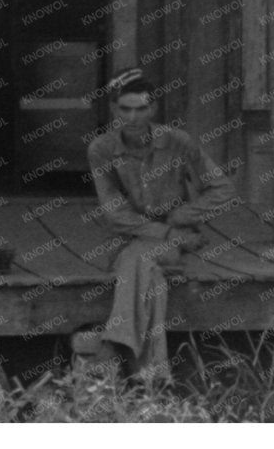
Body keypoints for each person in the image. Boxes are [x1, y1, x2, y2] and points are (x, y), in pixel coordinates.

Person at [85, 69, 235, 383]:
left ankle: (119, 344)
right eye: (125, 109)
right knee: (145, 268)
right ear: (114, 110)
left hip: (177, 233)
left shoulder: (178, 142)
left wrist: (184, 215)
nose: (133, 116)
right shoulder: (101, 149)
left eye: (141, 108)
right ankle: (151, 370)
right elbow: (114, 212)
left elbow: (223, 189)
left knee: (134, 260)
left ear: (152, 109)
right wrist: (168, 233)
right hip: (137, 234)